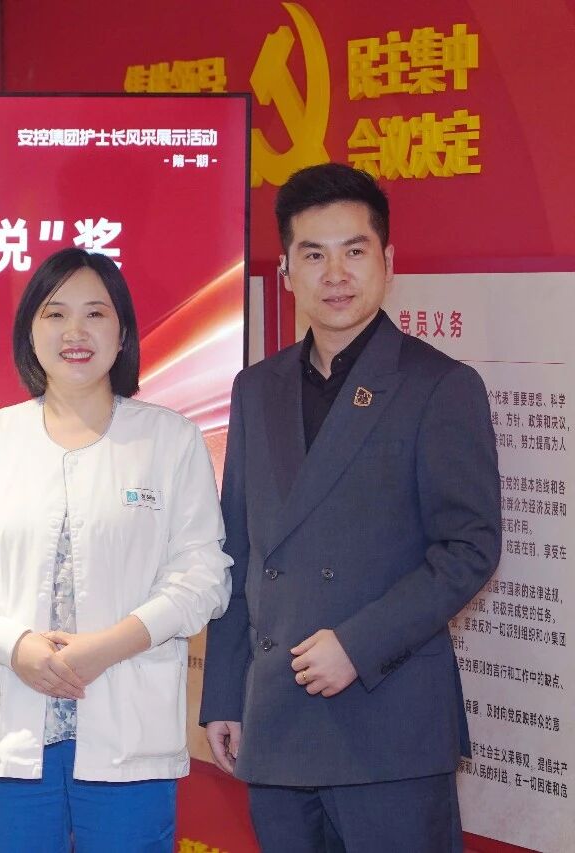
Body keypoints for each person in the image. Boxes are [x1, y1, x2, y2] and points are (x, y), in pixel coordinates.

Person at [200, 163, 501, 851]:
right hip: (276, 722)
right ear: (287, 272)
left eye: (354, 251)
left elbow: (468, 548)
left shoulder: (440, 385)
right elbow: (238, 548)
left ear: (388, 261)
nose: (335, 274)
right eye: (314, 255)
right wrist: (224, 695)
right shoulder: (256, 389)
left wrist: (358, 647)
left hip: (385, 722)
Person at [0, 247, 232, 852]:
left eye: (95, 314)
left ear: (123, 333)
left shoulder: (170, 440)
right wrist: (15, 645)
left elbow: (203, 574)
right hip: (8, 714)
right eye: (55, 314)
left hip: (128, 722)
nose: (75, 332)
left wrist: (108, 646)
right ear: (30, 332)